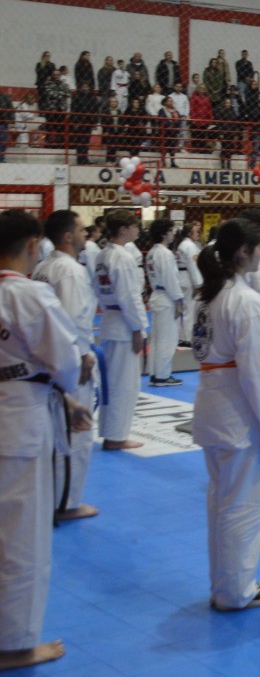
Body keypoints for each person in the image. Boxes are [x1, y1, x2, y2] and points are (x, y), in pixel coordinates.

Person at [0, 210, 96, 670]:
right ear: (32, 244)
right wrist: (69, 395)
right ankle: (14, 643)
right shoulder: (28, 294)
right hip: (20, 421)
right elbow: (64, 362)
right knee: (23, 535)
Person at [190, 217, 260, 609]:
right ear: (243, 252)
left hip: (212, 402)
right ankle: (235, 590)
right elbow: (259, 375)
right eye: (259, 247)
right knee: (245, 506)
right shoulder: (245, 301)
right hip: (237, 411)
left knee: (221, 503)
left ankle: (226, 584)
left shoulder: (209, 295)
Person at [31, 210, 99, 521]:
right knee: (76, 432)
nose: (87, 234)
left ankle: (53, 497)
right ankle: (66, 502)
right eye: (82, 230)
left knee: (57, 428)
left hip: (46, 357)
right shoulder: (70, 270)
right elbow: (73, 319)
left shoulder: (44, 266)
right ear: (68, 237)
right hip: (70, 359)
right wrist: (81, 355)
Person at [92, 209, 147, 451]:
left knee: (112, 382)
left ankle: (111, 432)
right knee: (125, 384)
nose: (138, 230)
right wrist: (139, 328)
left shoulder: (102, 255)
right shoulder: (123, 257)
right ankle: (116, 436)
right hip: (124, 325)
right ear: (123, 229)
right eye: (134, 226)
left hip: (110, 320)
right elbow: (129, 295)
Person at [144, 218, 185, 387]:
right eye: (171, 230)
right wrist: (178, 300)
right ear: (164, 233)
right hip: (167, 297)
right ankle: (162, 375)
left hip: (157, 295)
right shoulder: (165, 253)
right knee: (167, 339)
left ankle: (155, 373)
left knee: (156, 338)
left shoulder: (153, 252)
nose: (173, 233)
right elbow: (170, 279)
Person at [176, 221, 201, 344]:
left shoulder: (182, 245)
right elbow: (193, 265)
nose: (198, 234)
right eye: (196, 232)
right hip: (188, 278)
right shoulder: (190, 246)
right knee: (189, 309)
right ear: (189, 233)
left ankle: (182, 335)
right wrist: (198, 284)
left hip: (182, 277)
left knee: (184, 308)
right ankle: (187, 338)